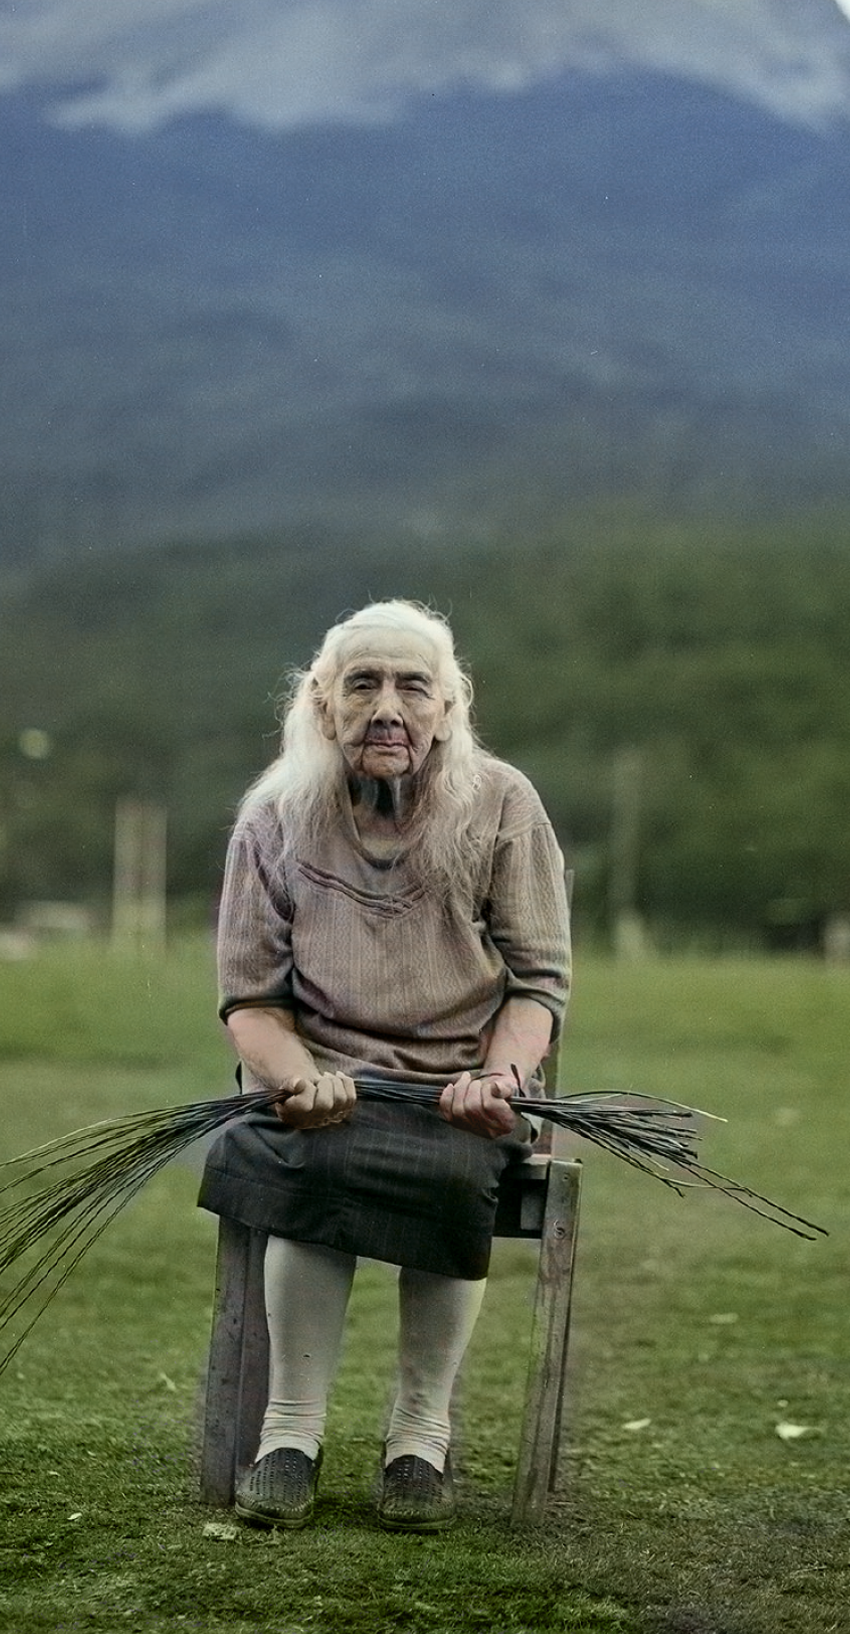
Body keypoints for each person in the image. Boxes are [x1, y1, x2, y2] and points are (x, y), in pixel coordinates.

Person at [198, 598, 571, 1533]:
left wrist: (502, 1082)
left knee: (452, 1174)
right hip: (319, 1082)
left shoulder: (503, 804)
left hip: (456, 1088)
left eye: (414, 686)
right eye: (363, 684)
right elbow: (251, 998)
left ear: (449, 705)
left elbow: (539, 984)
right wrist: (295, 1078)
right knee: (310, 1161)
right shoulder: (275, 815)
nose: (388, 708)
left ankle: (419, 1440)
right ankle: (291, 1435)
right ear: (323, 704)